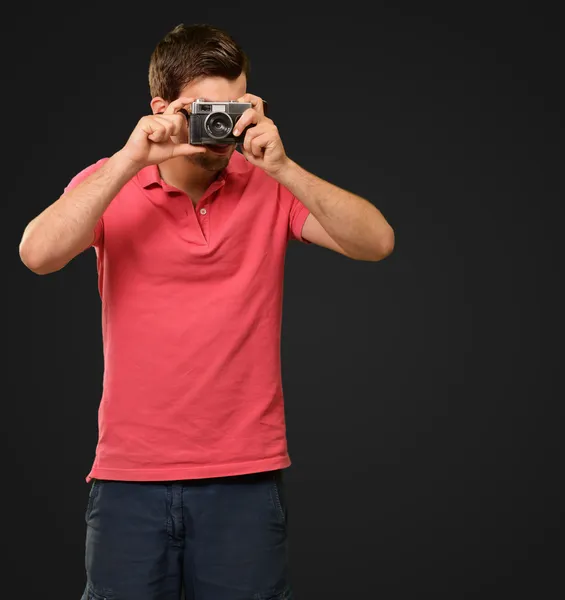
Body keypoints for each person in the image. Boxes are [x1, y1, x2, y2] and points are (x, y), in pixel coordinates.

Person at [19, 23, 395, 600]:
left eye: (232, 105)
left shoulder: (267, 183)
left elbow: (376, 242)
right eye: (202, 109)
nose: (218, 125)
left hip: (243, 477)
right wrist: (131, 158)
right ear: (161, 107)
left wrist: (283, 167)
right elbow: (37, 254)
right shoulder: (111, 180)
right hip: (128, 479)